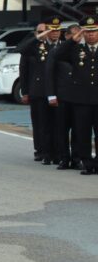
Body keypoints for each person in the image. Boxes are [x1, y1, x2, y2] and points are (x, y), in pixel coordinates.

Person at [51, 16, 98, 175]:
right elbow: (56, 55)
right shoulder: (76, 49)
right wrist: (72, 41)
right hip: (81, 100)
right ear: (83, 33)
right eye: (88, 32)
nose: (91, 34)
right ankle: (88, 163)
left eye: (94, 31)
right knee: (83, 134)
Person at [19, 18, 62, 165]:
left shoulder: (63, 46)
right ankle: (43, 150)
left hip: (59, 92)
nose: (54, 33)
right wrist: (25, 91)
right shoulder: (37, 46)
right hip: (39, 90)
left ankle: (57, 152)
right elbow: (22, 52)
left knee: (57, 124)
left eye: (57, 30)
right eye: (51, 30)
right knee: (42, 124)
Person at [45, 23, 79, 169]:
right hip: (62, 96)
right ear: (67, 36)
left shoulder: (82, 51)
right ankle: (64, 158)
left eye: (79, 34)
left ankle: (76, 158)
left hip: (78, 98)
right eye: (74, 35)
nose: (77, 38)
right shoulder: (57, 51)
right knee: (62, 129)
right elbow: (49, 74)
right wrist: (51, 95)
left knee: (78, 130)